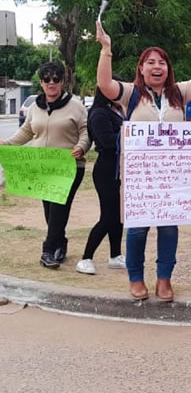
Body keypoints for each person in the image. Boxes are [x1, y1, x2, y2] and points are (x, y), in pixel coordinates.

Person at [95, 21, 191, 301]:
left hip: (173, 177)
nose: (157, 67)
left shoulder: (180, 93)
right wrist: (106, 49)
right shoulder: (130, 94)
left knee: (169, 229)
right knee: (137, 230)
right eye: (150, 62)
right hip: (140, 178)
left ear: (168, 68)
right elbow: (105, 84)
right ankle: (135, 278)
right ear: (141, 68)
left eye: (162, 62)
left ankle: (164, 279)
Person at [1, 62, 90, 269]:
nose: (52, 83)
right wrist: (7, 144)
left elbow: (86, 130)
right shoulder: (34, 107)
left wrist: (81, 147)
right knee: (50, 209)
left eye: (56, 79)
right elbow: (26, 132)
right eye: (47, 79)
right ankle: (61, 244)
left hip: (69, 166)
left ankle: (48, 251)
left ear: (62, 82)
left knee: (59, 207)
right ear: (41, 83)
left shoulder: (75, 105)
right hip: (42, 166)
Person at [75, 82, 126, 275]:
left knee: (119, 215)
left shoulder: (117, 110)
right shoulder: (98, 113)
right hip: (106, 169)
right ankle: (86, 257)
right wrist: (130, 134)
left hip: (120, 168)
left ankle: (115, 255)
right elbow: (106, 141)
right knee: (108, 216)